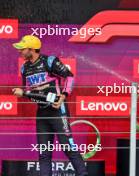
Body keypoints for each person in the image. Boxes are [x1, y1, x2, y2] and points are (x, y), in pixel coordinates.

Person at [12, 35, 88, 176]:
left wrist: (63, 96)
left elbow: (69, 76)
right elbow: (29, 93)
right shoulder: (24, 68)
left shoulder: (50, 61)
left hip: (58, 110)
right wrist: (23, 93)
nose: (20, 51)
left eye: (22, 49)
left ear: (32, 49)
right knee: (44, 153)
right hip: (42, 114)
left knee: (68, 147)